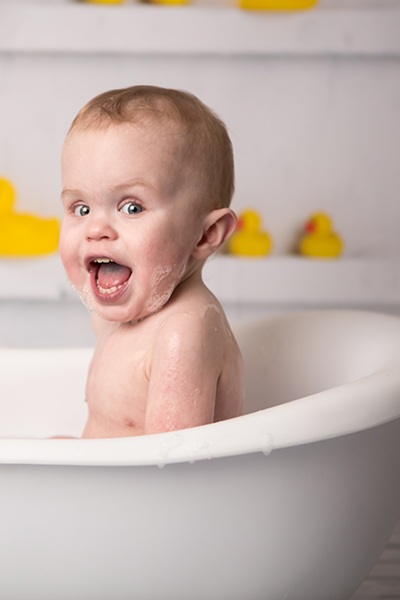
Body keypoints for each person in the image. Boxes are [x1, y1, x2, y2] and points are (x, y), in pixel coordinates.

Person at [59, 85, 244, 438]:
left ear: (206, 234)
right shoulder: (111, 319)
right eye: (80, 209)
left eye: (132, 207)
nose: (95, 229)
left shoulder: (182, 332)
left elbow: (168, 465)